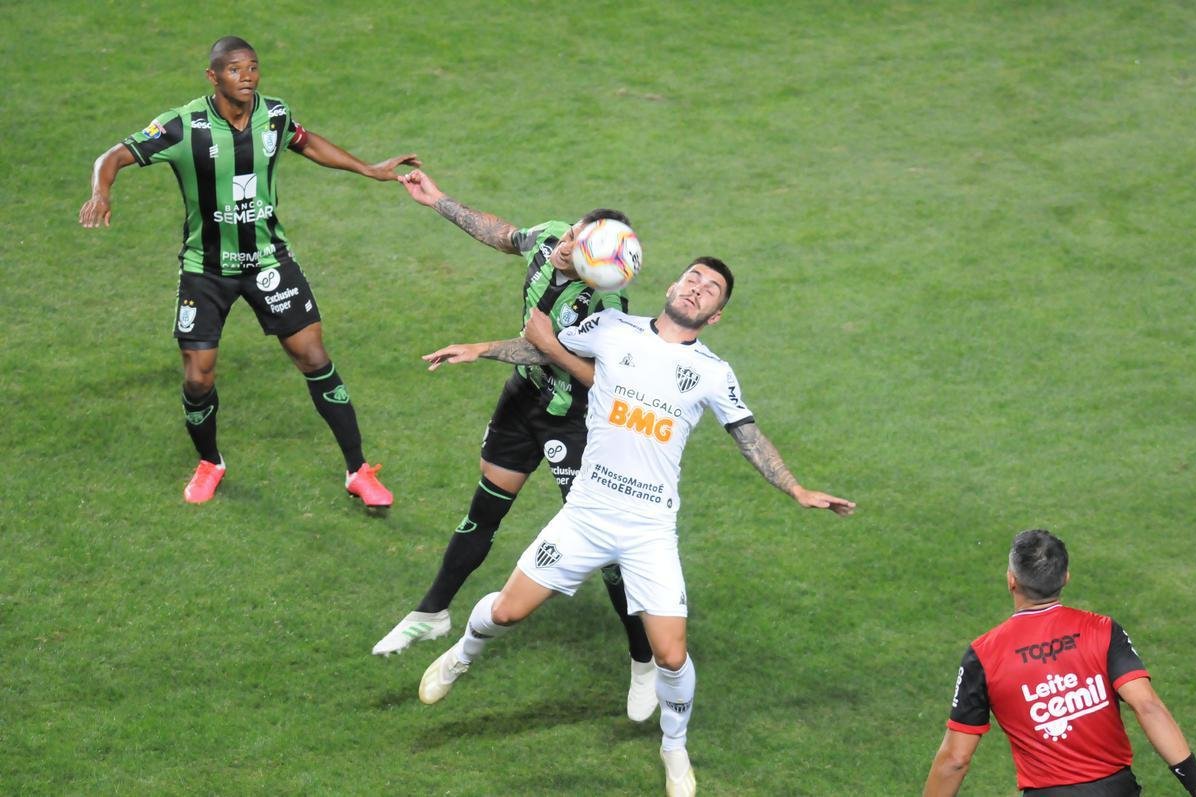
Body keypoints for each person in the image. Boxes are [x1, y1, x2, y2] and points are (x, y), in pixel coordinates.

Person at [415, 258, 855, 797]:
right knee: (507, 611)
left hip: (649, 528)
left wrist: (796, 488)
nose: (697, 289)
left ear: (716, 316)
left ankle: (674, 747)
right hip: (587, 515)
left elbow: (749, 436)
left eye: (711, 289)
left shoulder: (714, 374)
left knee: (671, 654)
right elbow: (543, 348)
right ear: (672, 286)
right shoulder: (611, 328)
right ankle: (461, 655)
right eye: (693, 278)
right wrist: (479, 349)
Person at [371, 169, 659, 718]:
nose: (566, 245)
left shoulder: (603, 310)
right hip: (522, 405)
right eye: (574, 232)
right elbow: (506, 235)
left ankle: (643, 658)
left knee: (604, 548)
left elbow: (547, 349)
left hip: (574, 423)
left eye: (577, 247)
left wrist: (480, 348)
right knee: (484, 509)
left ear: (596, 269)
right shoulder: (553, 236)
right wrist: (438, 202)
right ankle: (432, 613)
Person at [78, 36, 414, 506]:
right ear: (213, 77)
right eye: (235, 70)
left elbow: (306, 140)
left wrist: (370, 169)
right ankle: (210, 462)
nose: (248, 77)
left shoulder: (273, 114)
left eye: (253, 67)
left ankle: (358, 470)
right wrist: (102, 192)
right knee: (198, 378)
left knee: (315, 358)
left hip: (267, 260)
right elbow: (111, 157)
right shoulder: (182, 126)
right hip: (206, 268)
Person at [923, 529, 1196, 797]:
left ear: (1011, 580)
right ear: (1066, 577)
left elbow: (956, 759)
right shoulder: (1102, 630)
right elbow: (1147, 705)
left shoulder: (983, 656)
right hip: (1118, 790)